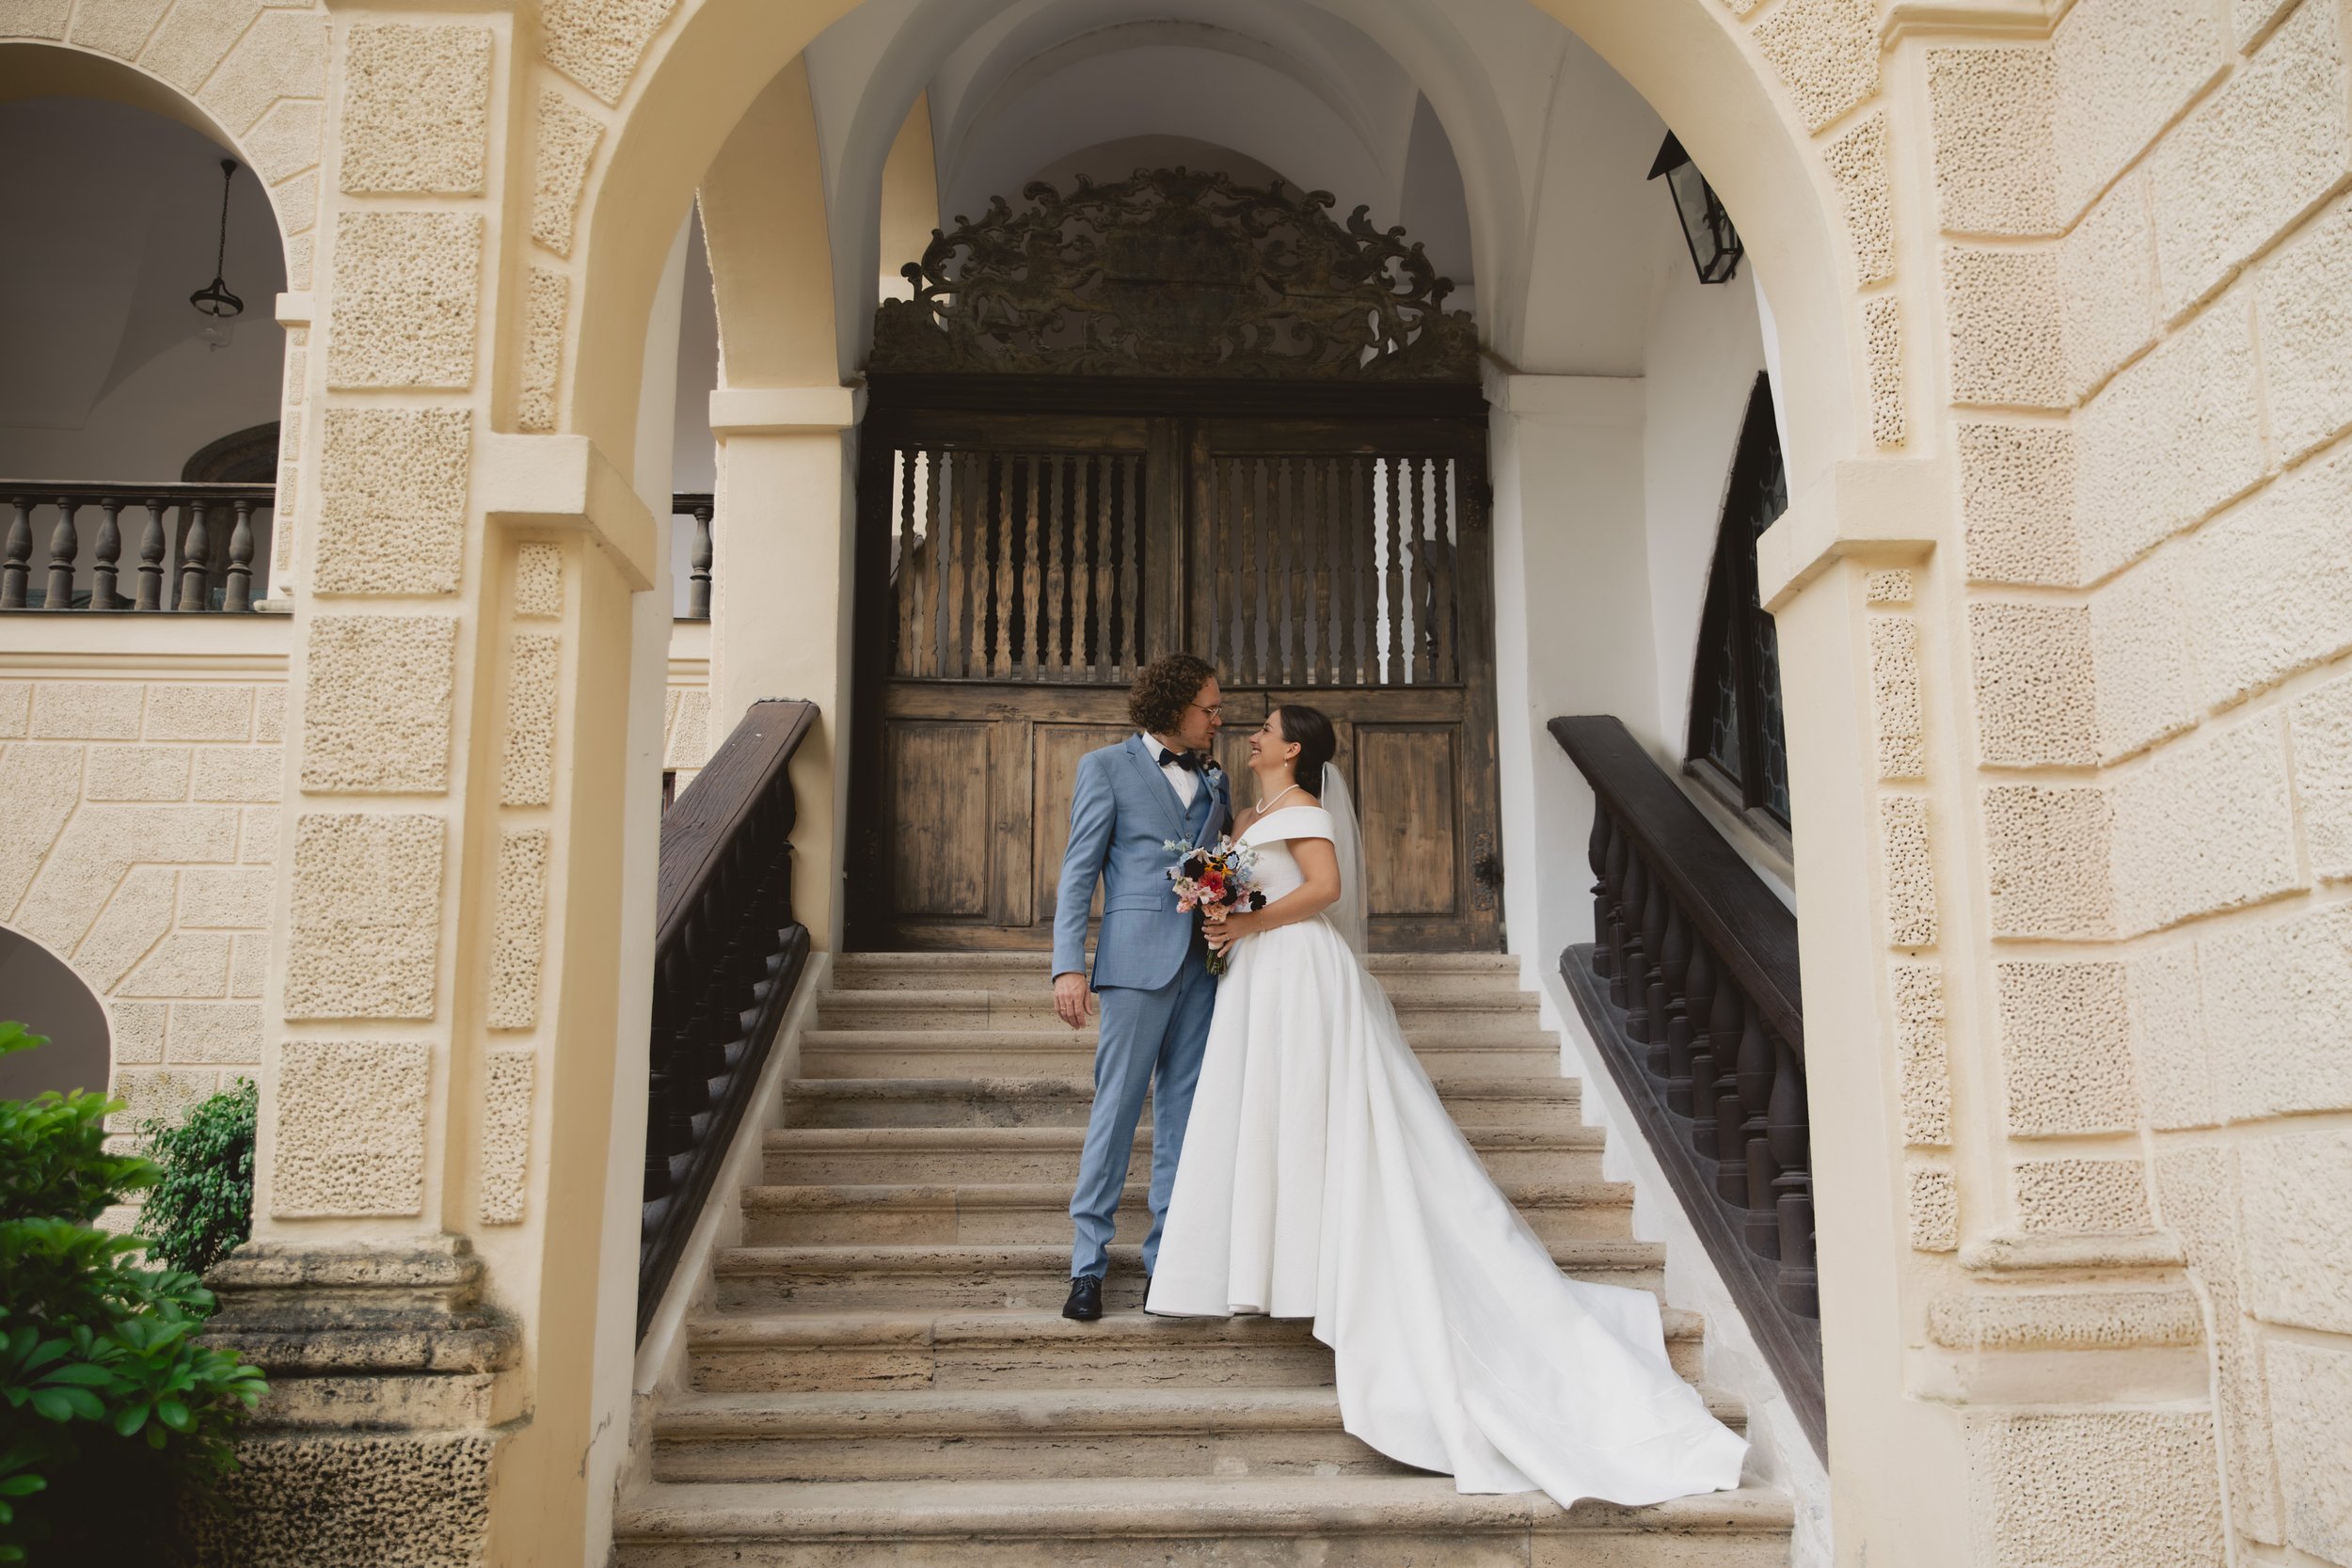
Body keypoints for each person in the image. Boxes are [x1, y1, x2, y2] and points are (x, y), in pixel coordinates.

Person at [1146, 703, 1749, 1510]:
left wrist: (1247, 920)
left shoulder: (1307, 810)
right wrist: (1221, 915)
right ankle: (1273, 1262)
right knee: (1267, 1118)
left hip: (1299, 971)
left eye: (1267, 728)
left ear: (1292, 749)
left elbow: (1324, 889)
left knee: (1321, 1115)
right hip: (1260, 975)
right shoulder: (1250, 814)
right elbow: (1249, 885)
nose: (1252, 734)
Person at [1050, 652, 1229, 1323]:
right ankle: (1087, 1268)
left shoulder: (1216, 779)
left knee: (1182, 1117)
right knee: (1117, 1110)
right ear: (1176, 706)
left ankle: (1167, 1265)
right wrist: (1068, 965)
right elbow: (1079, 871)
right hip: (1132, 964)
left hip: (1202, 969)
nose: (1218, 719)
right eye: (1209, 707)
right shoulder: (1105, 767)